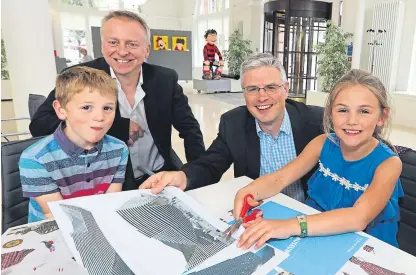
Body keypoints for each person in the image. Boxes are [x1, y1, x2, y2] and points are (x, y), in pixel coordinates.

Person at [29, 10, 205, 190]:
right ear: (103, 45)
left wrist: (196, 175)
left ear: (147, 50)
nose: (122, 51)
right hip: (108, 183)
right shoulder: (80, 76)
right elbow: (40, 124)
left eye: (132, 44)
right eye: (113, 42)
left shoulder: (165, 79)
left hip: (159, 175)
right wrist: (118, 125)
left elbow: (190, 129)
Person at [234, 69, 403, 249]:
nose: (352, 120)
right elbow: (281, 178)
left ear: (382, 117)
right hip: (316, 234)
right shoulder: (322, 143)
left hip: (364, 245)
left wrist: (288, 226)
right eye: (343, 110)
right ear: (330, 113)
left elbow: (358, 218)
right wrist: (247, 191)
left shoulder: (389, 164)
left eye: (364, 111)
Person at [141, 53, 324, 201]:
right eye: (252, 89)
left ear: (286, 88)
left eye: (271, 87)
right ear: (243, 92)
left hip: (306, 214)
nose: (262, 97)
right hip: (256, 215)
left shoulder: (316, 122)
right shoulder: (233, 123)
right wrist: (183, 177)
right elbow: (210, 165)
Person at [19, 67, 129, 223]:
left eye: (107, 108)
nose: (99, 117)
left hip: (98, 223)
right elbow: (54, 215)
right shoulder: (35, 159)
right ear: (61, 110)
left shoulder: (119, 149)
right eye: (86, 107)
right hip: (54, 230)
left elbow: (111, 201)